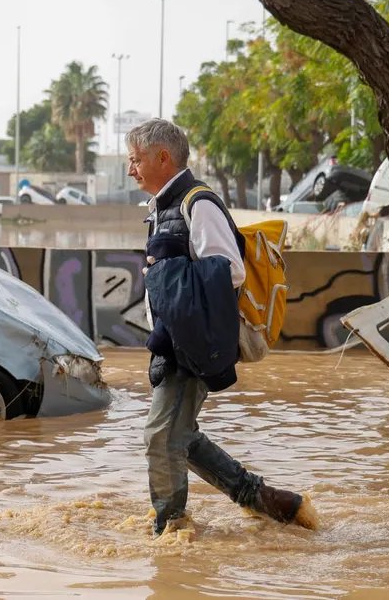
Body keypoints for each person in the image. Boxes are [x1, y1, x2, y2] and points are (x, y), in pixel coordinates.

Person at [126, 118, 318, 536]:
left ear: (163, 157)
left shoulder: (198, 203)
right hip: (173, 339)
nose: (130, 169)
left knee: (161, 436)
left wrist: (164, 272)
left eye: (136, 159)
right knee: (179, 434)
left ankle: (171, 530)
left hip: (192, 341)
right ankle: (270, 502)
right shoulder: (164, 207)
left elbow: (229, 269)